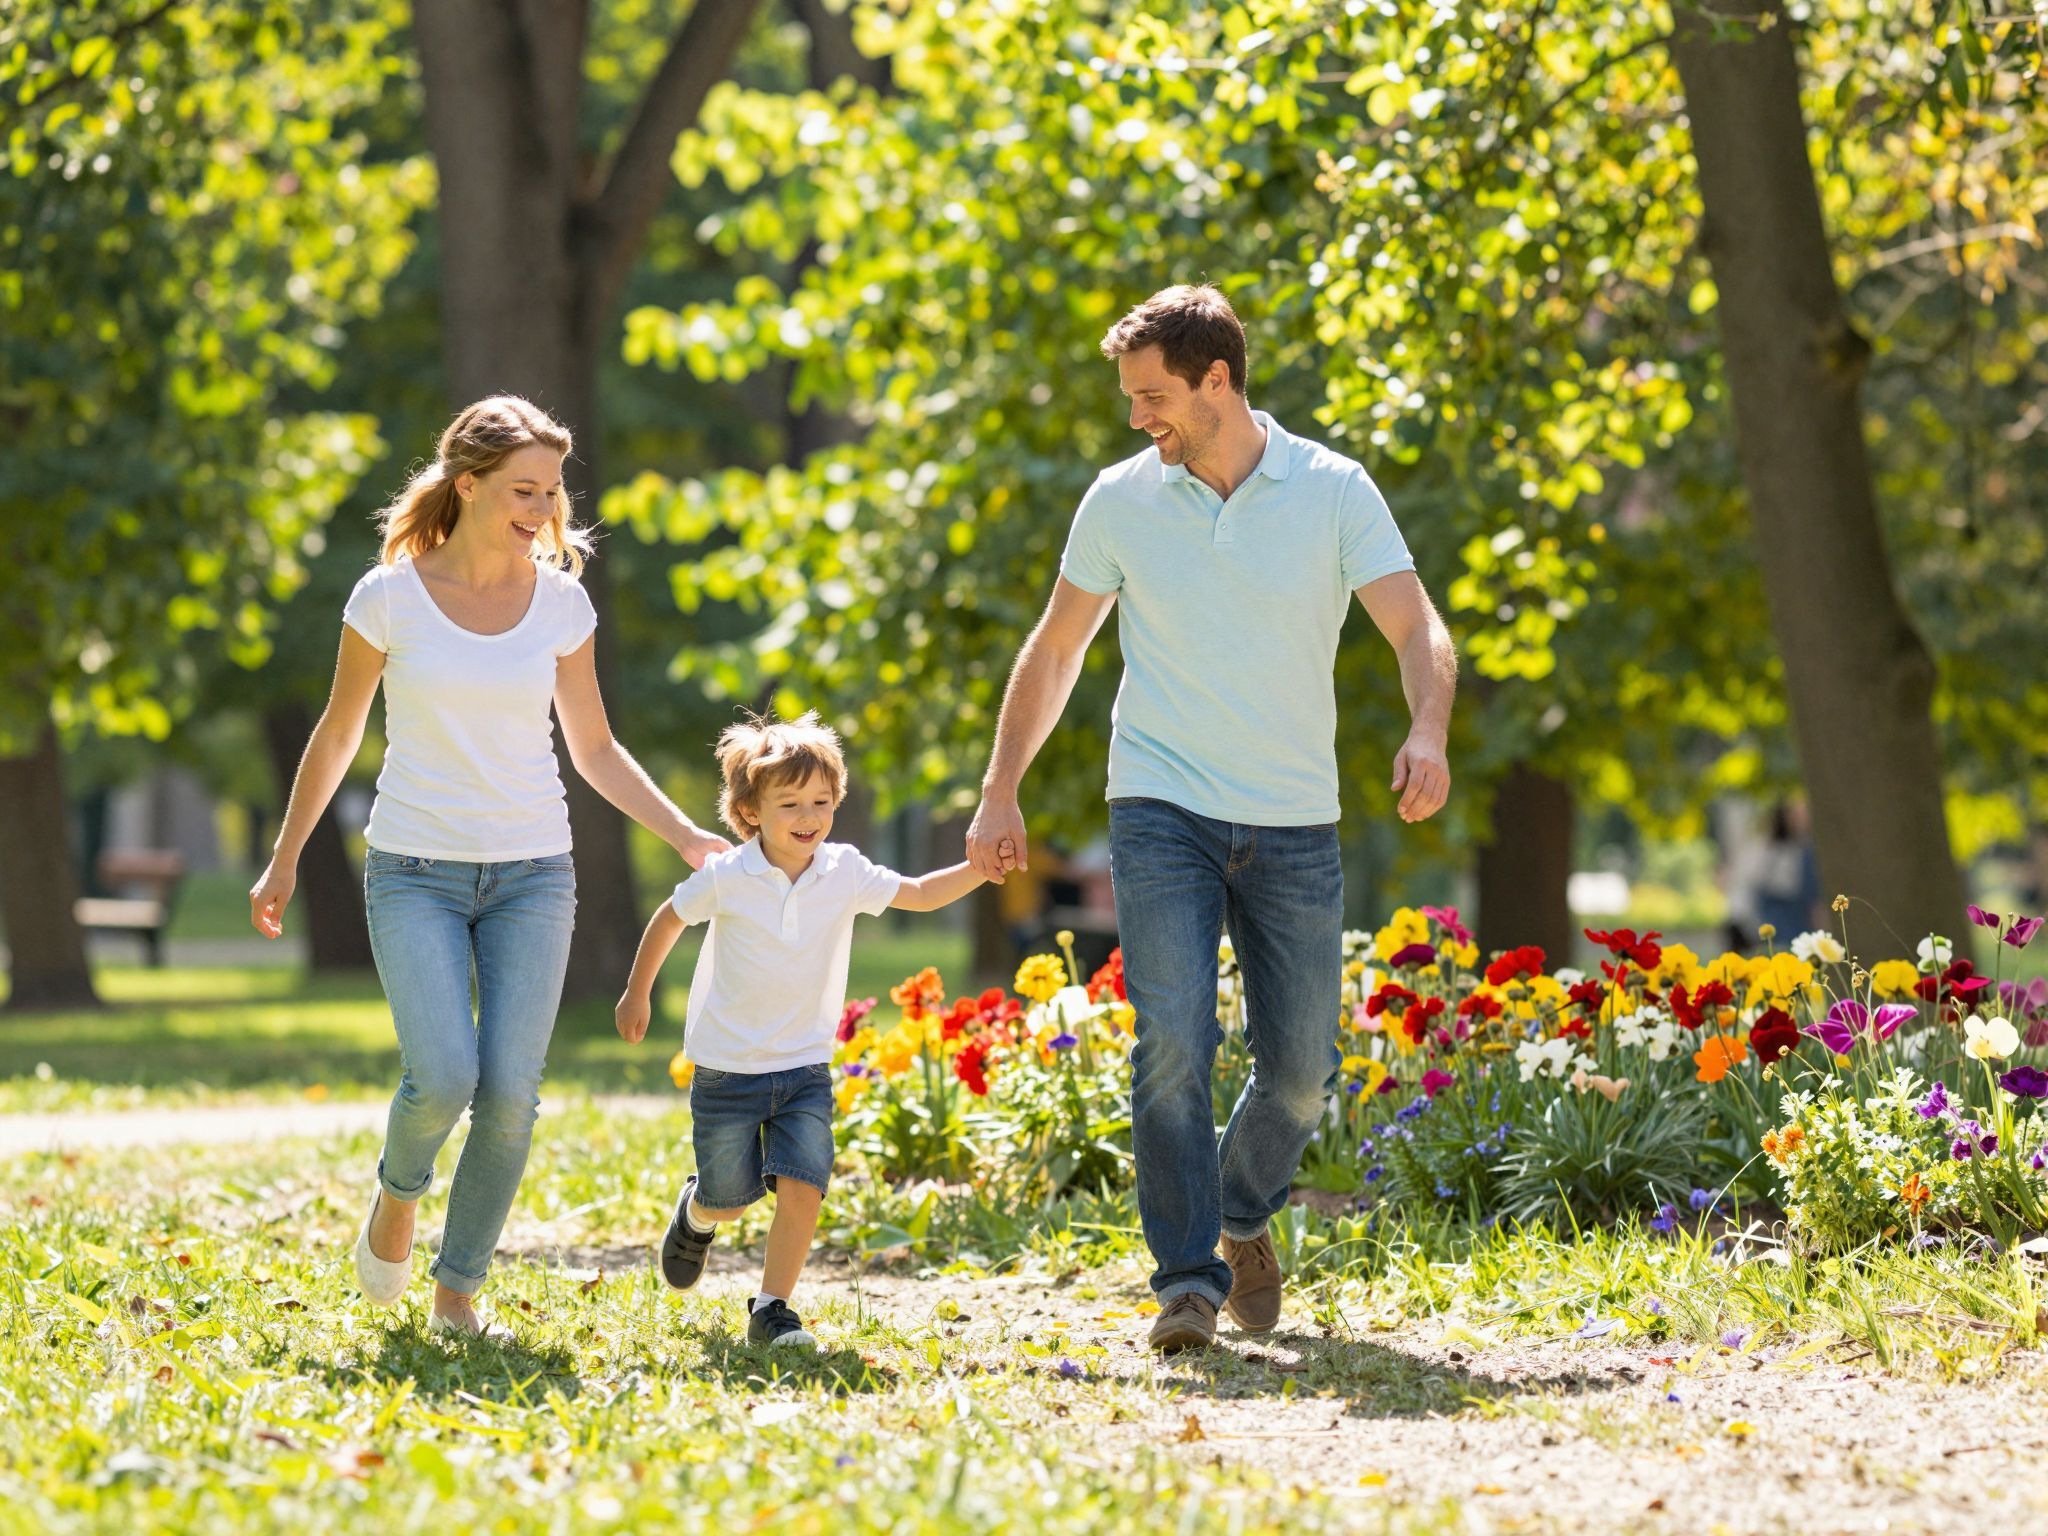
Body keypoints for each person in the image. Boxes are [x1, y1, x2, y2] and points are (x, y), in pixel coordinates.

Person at [965, 285, 1457, 1352]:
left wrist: (1427, 727)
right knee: (1171, 1044)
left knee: (1297, 1072)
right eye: (1132, 398)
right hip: (1159, 805)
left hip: (1290, 817)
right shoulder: (1119, 500)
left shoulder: (1331, 489)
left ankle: (1241, 1217)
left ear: (1216, 381)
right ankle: (1185, 1283)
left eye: (1153, 397)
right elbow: (1054, 652)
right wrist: (999, 786)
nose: (1137, 417)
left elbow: (1414, 624)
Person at [249, 396, 730, 1337]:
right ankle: (398, 1193)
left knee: (510, 1094)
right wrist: (284, 858)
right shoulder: (386, 597)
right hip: (414, 870)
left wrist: (684, 834)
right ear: (466, 485)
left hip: (533, 876)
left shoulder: (561, 603)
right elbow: (340, 731)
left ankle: (457, 1291)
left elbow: (592, 747)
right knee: (443, 1075)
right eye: (523, 490)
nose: (543, 510)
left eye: (552, 491)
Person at [614, 712, 985, 1349]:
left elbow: (920, 893)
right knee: (731, 1198)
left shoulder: (843, 870)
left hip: (804, 1066)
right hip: (728, 1069)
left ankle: (773, 1307)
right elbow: (669, 919)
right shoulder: (728, 875)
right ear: (750, 810)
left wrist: (985, 868)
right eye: (789, 803)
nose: (808, 815)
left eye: (821, 801)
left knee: (804, 1185)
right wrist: (637, 991)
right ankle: (700, 1211)